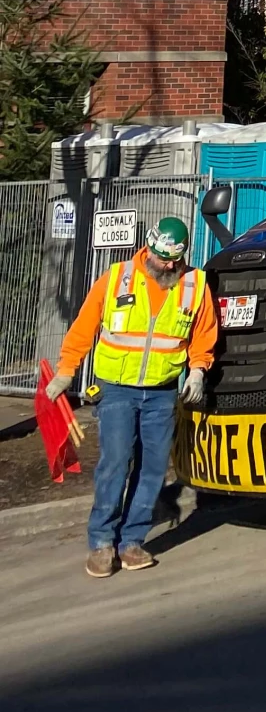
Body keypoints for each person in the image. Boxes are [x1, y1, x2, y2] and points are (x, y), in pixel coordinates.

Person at [46, 217, 217, 578]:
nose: (169, 266)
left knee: (153, 468)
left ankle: (132, 542)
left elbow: (204, 334)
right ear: (149, 248)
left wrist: (199, 369)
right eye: (162, 258)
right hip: (118, 390)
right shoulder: (118, 277)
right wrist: (66, 370)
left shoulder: (194, 285)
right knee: (115, 464)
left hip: (161, 392)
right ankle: (101, 543)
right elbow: (84, 325)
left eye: (176, 259)